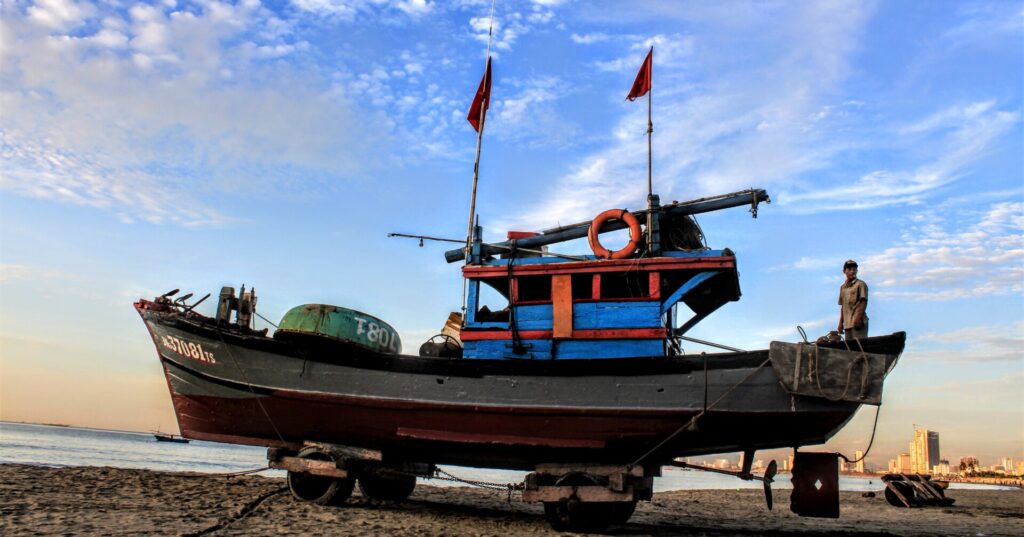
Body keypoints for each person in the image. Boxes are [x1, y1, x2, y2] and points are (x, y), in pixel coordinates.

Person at [837, 259, 868, 340]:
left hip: (858, 323)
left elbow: (863, 301)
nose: (852, 271)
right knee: (850, 349)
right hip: (847, 325)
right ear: (844, 271)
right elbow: (843, 306)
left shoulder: (860, 284)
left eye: (854, 269)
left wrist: (858, 318)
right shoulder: (842, 287)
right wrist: (841, 323)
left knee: (859, 347)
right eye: (849, 269)